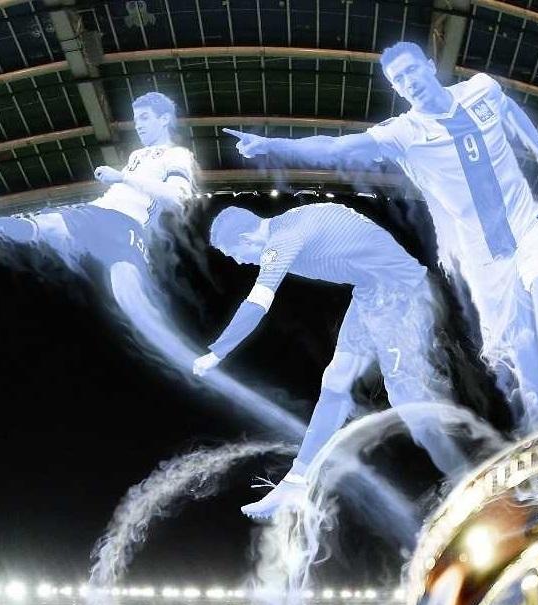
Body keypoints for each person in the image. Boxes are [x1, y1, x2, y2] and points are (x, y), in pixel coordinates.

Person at [226, 40, 538, 419]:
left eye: (411, 71)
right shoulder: (403, 133)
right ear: (396, 89)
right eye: (399, 80)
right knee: (520, 346)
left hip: (528, 226)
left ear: (429, 65)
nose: (408, 82)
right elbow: (335, 147)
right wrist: (272, 144)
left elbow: (509, 110)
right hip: (483, 258)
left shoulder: (481, 88)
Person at [194, 203, 467, 518]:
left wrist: (217, 352)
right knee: (336, 382)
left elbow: (257, 303)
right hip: (371, 293)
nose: (239, 262)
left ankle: (465, 477)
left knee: (410, 402)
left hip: (403, 294)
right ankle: (296, 481)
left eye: (233, 254)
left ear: (246, 238)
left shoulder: (282, 240)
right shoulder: (290, 224)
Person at [0, 92, 194, 294]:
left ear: (164, 119)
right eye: (136, 119)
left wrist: (122, 177)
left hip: (128, 224)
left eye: (144, 118)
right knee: (49, 223)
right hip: (99, 211)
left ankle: (161, 330)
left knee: (128, 291)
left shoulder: (178, 155)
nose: (138, 125)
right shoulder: (137, 155)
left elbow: (177, 196)